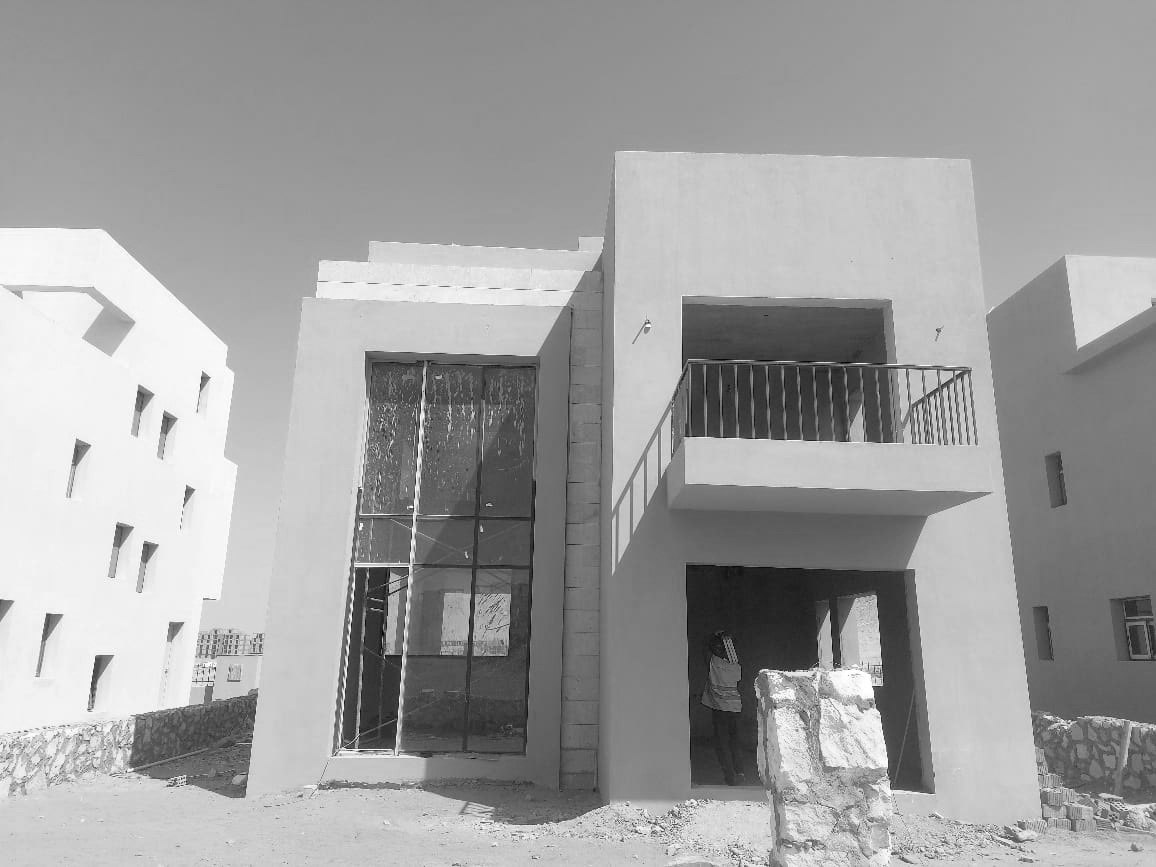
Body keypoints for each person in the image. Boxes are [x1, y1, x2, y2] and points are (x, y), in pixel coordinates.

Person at [701, 630, 744, 785]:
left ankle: (730, 776)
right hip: (735, 709)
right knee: (735, 741)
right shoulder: (736, 666)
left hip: (720, 710)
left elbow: (705, 647)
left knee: (722, 743)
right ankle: (740, 772)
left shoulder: (713, 662)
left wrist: (716, 635)